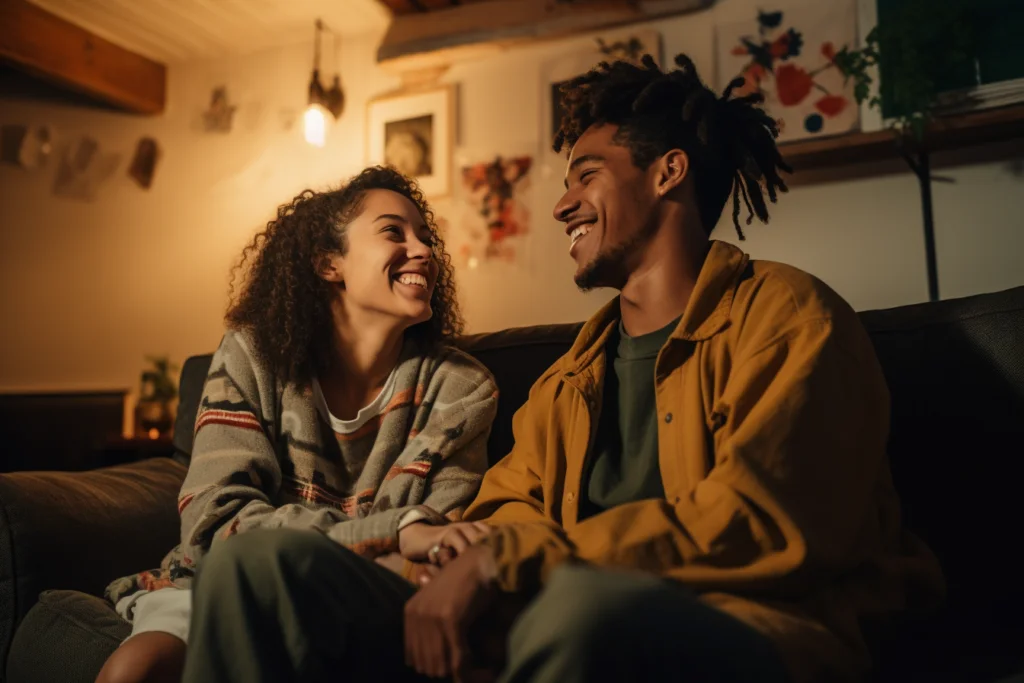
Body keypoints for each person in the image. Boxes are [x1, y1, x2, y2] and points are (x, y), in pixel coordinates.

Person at [179, 55, 945, 683]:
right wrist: (459, 554)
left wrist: (504, 559)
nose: (562, 205)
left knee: (578, 610)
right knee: (260, 568)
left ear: (667, 172)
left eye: (585, 175)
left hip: (752, 631)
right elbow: (508, 510)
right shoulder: (570, 377)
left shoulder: (788, 316)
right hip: (534, 617)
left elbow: (763, 518)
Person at [95, 166, 498, 683]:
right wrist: (391, 528)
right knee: (135, 670)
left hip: (357, 593)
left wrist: (401, 544)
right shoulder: (253, 355)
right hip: (217, 581)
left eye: (425, 237)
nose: (424, 250)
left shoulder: (463, 389)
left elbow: (437, 547)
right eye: (394, 232)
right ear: (329, 263)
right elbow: (217, 526)